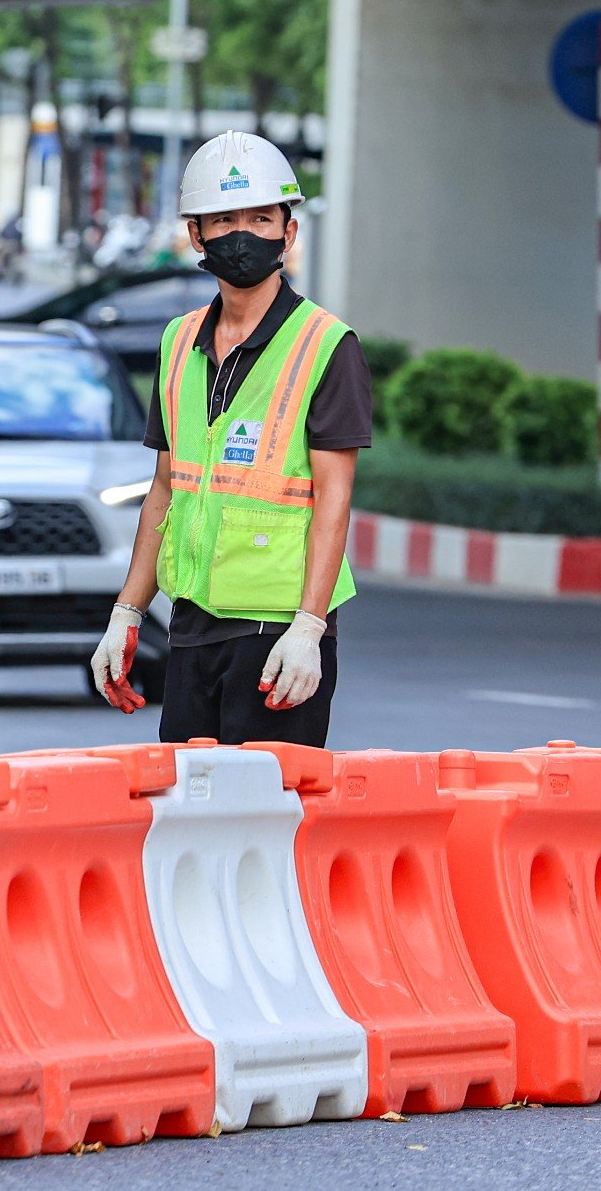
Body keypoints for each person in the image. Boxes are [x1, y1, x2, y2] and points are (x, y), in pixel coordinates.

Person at [91, 130, 372, 745]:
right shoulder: (177, 342)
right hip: (191, 623)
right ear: (196, 235)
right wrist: (127, 612)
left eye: (260, 217)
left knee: (266, 822)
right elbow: (165, 489)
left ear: (288, 233)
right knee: (190, 824)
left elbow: (334, 500)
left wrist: (309, 630)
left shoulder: (327, 346)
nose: (242, 233)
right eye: (223, 220)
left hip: (275, 632)